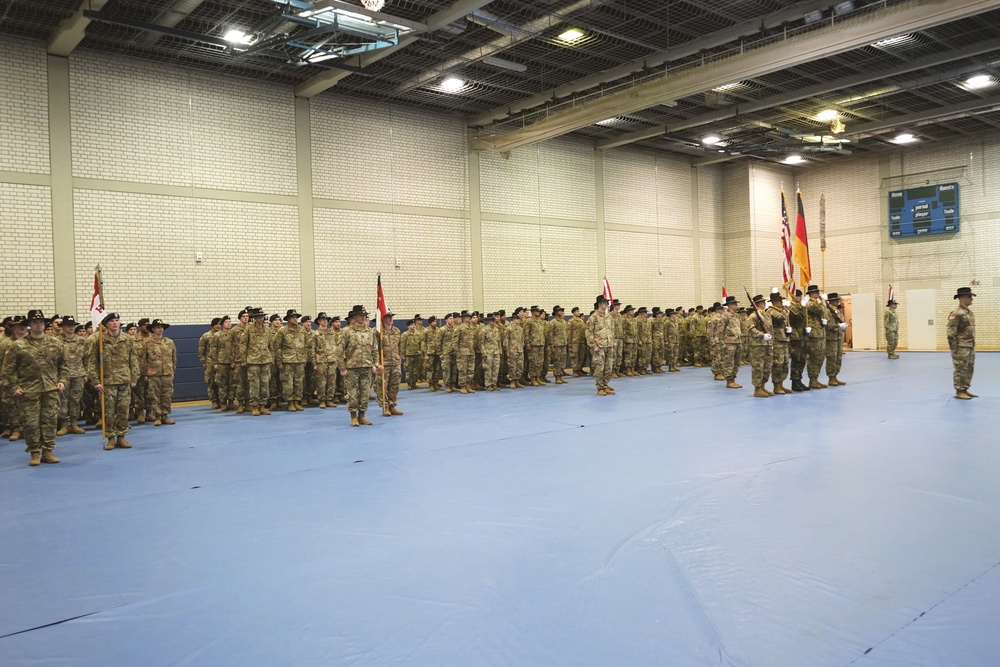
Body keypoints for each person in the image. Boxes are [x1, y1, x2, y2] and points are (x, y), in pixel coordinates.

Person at [1, 310, 67, 466]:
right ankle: (35, 452)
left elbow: (63, 364)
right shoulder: (18, 345)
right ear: (29, 325)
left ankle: (48, 451)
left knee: (50, 421)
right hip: (28, 390)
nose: (39, 325)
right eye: (35, 322)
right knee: (31, 423)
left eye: (41, 322)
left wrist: (62, 380)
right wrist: (14, 387)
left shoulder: (55, 343)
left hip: (51, 389)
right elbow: (8, 369)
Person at [88, 312, 140, 451]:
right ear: (106, 324)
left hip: (124, 380)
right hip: (107, 382)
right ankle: (110, 438)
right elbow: (92, 362)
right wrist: (95, 381)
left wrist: (134, 377)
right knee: (108, 411)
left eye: (117, 320)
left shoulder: (127, 339)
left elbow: (133, 360)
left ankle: (121, 436)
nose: (115, 323)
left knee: (123, 409)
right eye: (111, 321)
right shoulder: (99, 340)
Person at [341, 305, 381, 425]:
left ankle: (362, 415)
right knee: (352, 393)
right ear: (354, 317)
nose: (363, 317)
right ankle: (353, 416)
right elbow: (339, 350)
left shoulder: (370, 331)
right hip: (351, 367)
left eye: (364, 315)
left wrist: (376, 364)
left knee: (365, 393)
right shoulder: (346, 332)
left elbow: (374, 349)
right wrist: (342, 368)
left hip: (367, 367)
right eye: (360, 315)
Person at [56, 316, 88, 435]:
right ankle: (64, 425)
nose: (70, 327)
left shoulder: (82, 340)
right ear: (63, 327)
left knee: (75, 400)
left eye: (72, 325)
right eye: (68, 325)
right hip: (62, 376)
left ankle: (74, 424)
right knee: (62, 400)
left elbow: (87, 358)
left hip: (78, 374)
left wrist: (86, 373)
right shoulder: (56, 341)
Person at [142, 318, 177, 425]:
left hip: (167, 373)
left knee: (166, 395)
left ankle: (165, 416)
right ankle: (157, 416)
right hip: (153, 373)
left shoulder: (169, 342)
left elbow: (173, 358)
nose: (160, 329)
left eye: (161, 327)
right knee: (154, 395)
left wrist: (172, 371)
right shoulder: (147, 343)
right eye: (157, 327)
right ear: (153, 329)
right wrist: (145, 373)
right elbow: (143, 359)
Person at [241, 308, 273, 415]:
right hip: (253, 360)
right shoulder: (249, 329)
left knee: (265, 384)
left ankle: (263, 405)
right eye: (259, 316)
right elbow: (243, 345)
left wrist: (271, 358)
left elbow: (271, 345)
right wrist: (244, 360)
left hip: (265, 360)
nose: (261, 318)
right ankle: (254, 406)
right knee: (254, 384)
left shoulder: (267, 330)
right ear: (254, 318)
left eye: (262, 316)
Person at [946, 287, 977, 400]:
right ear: (962, 298)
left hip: (969, 345)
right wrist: (954, 348)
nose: (971, 299)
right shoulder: (956, 313)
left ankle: (965, 389)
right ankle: (959, 390)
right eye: (969, 297)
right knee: (960, 369)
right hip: (960, 347)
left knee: (969, 368)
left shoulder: (969, 312)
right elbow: (951, 333)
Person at [275, 309, 307, 411]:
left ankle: (297, 401)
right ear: (288, 319)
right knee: (288, 383)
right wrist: (279, 361)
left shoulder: (302, 330)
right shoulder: (282, 331)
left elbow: (305, 345)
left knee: (299, 382)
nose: (295, 319)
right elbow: (277, 347)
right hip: (287, 360)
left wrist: (304, 358)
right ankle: (290, 402)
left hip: (299, 360)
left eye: (296, 317)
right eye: (293, 317)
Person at [585, 294, 615, 396]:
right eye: (604, 302)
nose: (606, 304)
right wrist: (594, 346)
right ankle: (599, 388)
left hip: (608, 345)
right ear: (599, 304)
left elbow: (612, 331)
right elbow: (589, 333)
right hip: (599, 347)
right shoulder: (593, 317)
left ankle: (605, 385)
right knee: (599, 368)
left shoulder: (609, 317)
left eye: (607, 302)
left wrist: (612, 343)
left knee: (608, 368)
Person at [376, 311, 403, 415]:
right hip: (383, 363)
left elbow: (399, 346)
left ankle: (392, 405)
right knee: (382, 386)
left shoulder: (396, 331)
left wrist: (399, 358)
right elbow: (374, 348)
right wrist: (377, 363)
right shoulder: (378, 332)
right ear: (383, 318)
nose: (391, 319)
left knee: (394, 385)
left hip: (395, 362)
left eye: (392, 317)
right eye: (388, 317)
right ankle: (385, 406)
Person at [747, 295, 774, 397]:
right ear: (757, 304)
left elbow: (771, 330)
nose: (764, 303)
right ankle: (757, 388)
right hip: (757, 345)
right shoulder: (753, 316)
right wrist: (763, 335)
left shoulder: (766, 315)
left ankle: (763, 386)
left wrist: (772, 342)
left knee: (767, 367)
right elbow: (751, 330)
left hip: (767, 344)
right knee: (758, 367)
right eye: (762, 302)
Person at [766, 291, 791, 394]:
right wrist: (787, 310)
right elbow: (781, 318)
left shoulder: (781, 310)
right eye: (780, 301)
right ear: (775, 302)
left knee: (785, 363)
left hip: (784, 339)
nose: (781, 302)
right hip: (777, 341)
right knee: (778, 364)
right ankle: (776, 385)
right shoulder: (771, 311)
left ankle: (781, 384)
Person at [804, 285, 828, 389]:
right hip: (814, 335)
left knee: (820, 357)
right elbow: (821, 310)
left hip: (820, 334)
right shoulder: (810, 304)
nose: (818, 294)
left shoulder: (817, 302)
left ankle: (816, 378)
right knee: (813, 357)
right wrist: (823, 300)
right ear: (811, 294)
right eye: (816, 293)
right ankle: (812, 380)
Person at [824, 293, 848, 386]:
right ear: (831, 301)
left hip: (838, 338)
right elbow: (828, 325)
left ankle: (835, 376)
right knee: (831, 358)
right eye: (836, 300)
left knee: (838, 358)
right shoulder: (827, 311)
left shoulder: (837, 311)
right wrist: (838, 326)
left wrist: (843, 327)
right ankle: (831, 378)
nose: (838, 301)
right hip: (831, 338)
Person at [720, 296, 742, 389]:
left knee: (737, 362)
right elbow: (720, 330)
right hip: (729, 342)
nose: (736, 305)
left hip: (737, 341)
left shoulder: (736, 315)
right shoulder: (725, 315)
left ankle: (733, 378)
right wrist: (722, 342)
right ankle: (729, 380)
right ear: (729, 305)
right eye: (734, 303)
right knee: (729, 362)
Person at [199, 318, 222, 408]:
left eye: (220, 324)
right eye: (216, 324)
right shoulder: (206, 335)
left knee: (221, 382)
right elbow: (201, 350)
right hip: (210, 362)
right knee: (211, 382)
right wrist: (203, 361)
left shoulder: (223, 335)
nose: (218, 325)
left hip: (221, 362)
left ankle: (221, 400)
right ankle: (214, 401)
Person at [549, 306, 568, 384]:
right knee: (557, 361)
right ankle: (557, 377)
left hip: (563, 344)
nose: (561, 312)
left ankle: (561, 375)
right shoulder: (553, 322)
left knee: (562, 361)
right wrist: (552, 345)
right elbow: (550, 334)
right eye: (559, 311)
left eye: (561, 310)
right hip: (556, 344)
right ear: (556, 312)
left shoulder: (563, 322)